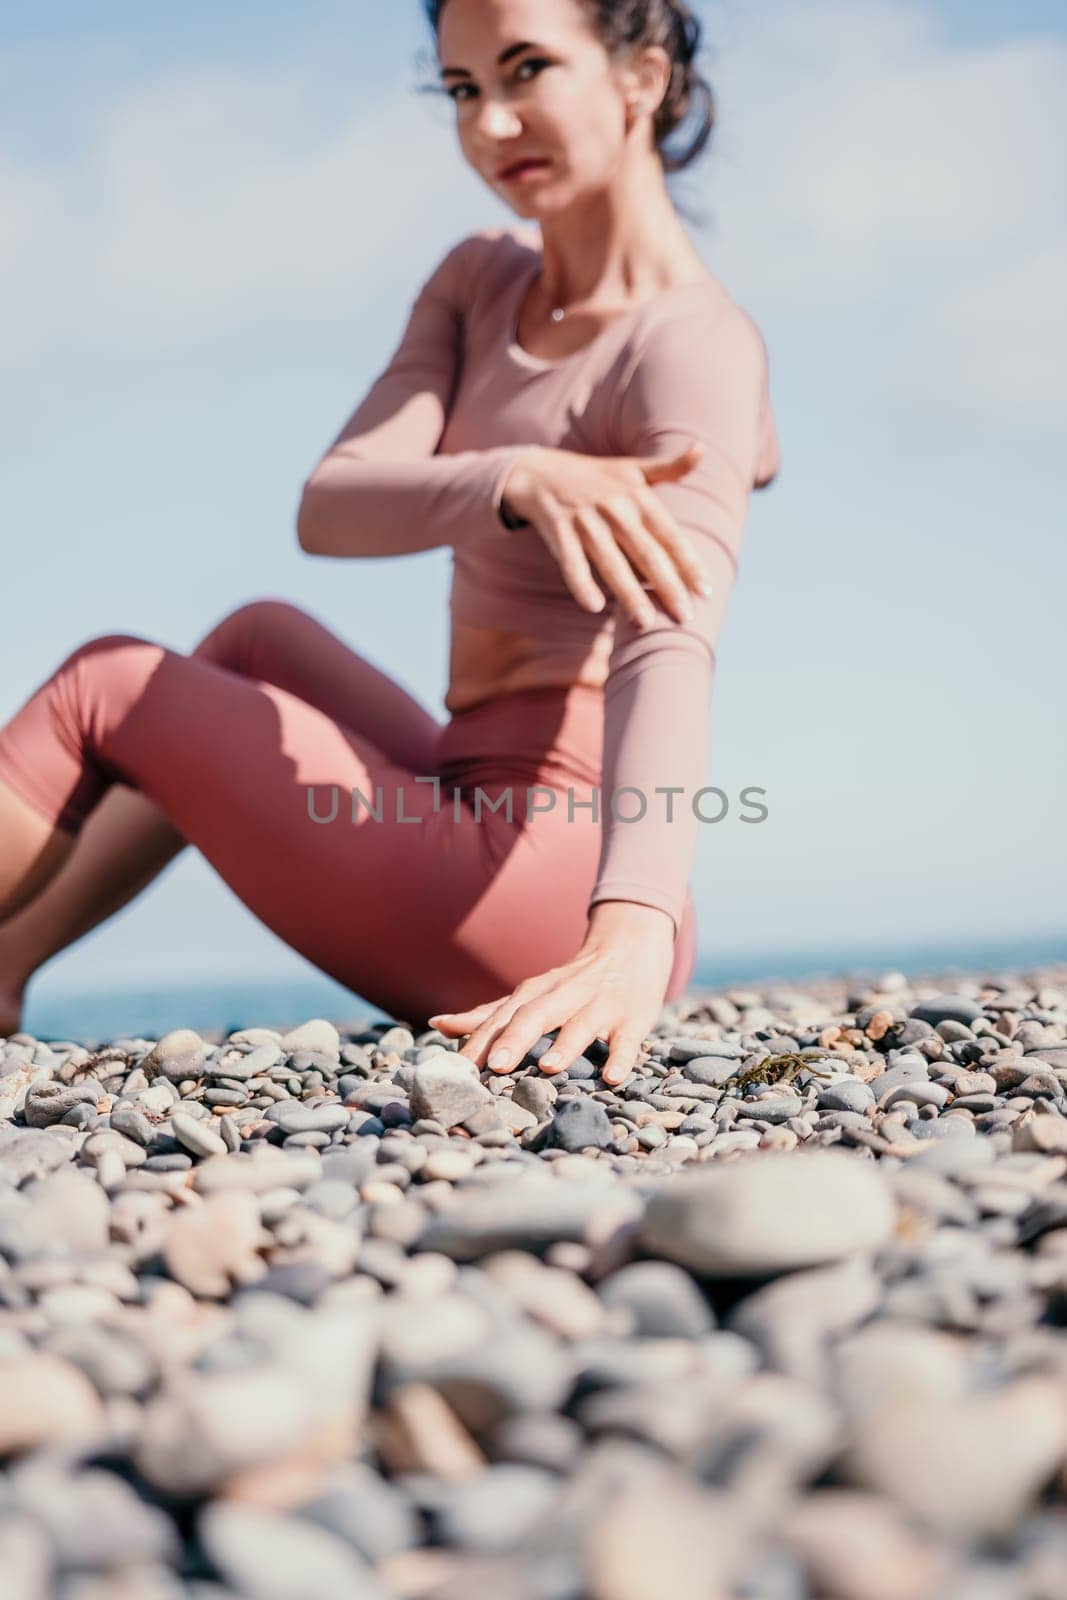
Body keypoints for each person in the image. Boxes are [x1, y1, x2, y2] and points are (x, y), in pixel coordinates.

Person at [0, 0, 778, 1086]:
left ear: (639, 77)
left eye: (525, 71)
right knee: (255, 635)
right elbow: (333, 505)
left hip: (559, 879)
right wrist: (516, 477)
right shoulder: (478, 282)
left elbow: (668, 641)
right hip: (471, 786)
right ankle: (8, 962)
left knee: (108, 686)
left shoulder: (693, 343)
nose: (491, 126)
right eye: (462, 90)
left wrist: (630, 929)